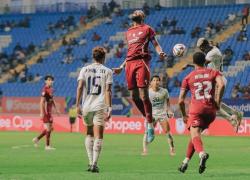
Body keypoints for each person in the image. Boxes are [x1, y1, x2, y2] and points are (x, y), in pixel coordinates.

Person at [113, 10, 167, 143]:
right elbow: (130, 52)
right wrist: (121, 66)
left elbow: (155, 43)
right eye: (134, 12)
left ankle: (149, 126)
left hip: (141, 62)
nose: (136, 13)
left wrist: (160, 52)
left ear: (142, 17)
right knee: (134, 97)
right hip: (129, 63)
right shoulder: (128, 32)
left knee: (143, 95)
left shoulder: (147, 29)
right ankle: (149, 118)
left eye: (139, 12)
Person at [178, 52, 225, 174]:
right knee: (195, 136)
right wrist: (218, 101)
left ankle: (202, 154)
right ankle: (185, 162)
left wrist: (184, 115)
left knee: (195, 135)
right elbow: (221, 84)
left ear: (193, 62)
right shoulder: (213, 72)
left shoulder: (188, 77)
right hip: (211, 111)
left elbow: (180, 101)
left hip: (196, 110)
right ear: (205, 61)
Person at [183, 37, 243, 131]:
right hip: (216, 79)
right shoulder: (212, 50)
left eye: (201, 47)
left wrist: (189, 65)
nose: (201, 50)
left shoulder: (212, 53)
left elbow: (201, 63)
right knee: (216, 103)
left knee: (213, 106)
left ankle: (232, 119)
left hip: (218, 80)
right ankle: (236, 113)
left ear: (204, 45)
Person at [76, 46, 112, 173]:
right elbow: (108, 90)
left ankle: (90, 161)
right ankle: (94, 164)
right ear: (103, 57)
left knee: (89, 133)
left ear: (93, 57)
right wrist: (110, 107)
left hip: (86, 106)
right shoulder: (107, 71)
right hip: (100, 106)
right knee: (99, 135)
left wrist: (77, 105)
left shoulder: (84, 69)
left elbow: (80, 87)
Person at [141, 75, 175, 156]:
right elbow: (144, 104)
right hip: (151, 114)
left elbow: (168, 102)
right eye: (154, 80)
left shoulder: (164, 91)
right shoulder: (148, 92)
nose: (156, 82)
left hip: (162, 114)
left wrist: (169, 110)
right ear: (151, 82)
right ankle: (145, 150)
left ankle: (172, 148)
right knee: (147, 132)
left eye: (157, 80)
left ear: (160, 82)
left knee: (168, 132)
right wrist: (146, 114)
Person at [33, 75, 60, 150]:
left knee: (50, 129)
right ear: (45, 81)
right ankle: (47, 146)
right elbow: (41, 101)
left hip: (50, 112)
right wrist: (41, 112)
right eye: (48, 80)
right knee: (48, 129)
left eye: (51, 80)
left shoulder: (51, 89)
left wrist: (56, 109)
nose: (50, 81)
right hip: (46, 112)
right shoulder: (44, 89)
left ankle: (37, 139)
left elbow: (52, 100)